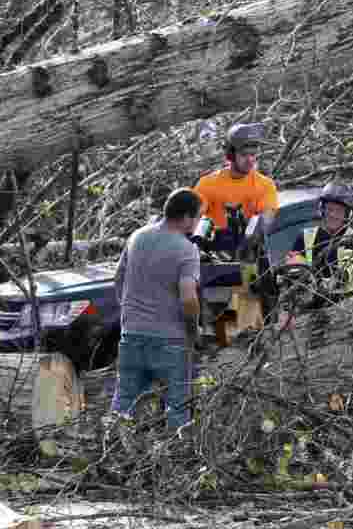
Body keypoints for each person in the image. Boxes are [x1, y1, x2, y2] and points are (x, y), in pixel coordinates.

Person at [113, 187, 202, 431]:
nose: (198, 223)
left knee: (124, 401)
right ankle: (176, 460)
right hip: (170, 339)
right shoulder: (187, 250)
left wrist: (130, 314)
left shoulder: (136, 237)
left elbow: (118, 280)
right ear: (186, 217)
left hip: (131, 334)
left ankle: (112, 449)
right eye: (198, 217)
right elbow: (188, 298)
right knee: (177, 404)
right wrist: (193, 330)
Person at [279, 182, 353, 328]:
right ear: (322, 210)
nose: (333, 215)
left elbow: (351, 266)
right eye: (330, 209)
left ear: (348, 214)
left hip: (347, 309)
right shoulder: (305, 237)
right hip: (310, 312)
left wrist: (331, 282)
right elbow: (291, 271)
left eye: (338, 211)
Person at [194, 122, 280, 248]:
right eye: (244, 155)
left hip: (250, 251)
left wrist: (255, 230)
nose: (250, 160)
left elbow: (267, 219)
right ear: (231, 155)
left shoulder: (265, 185)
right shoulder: (207, 184)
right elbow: (192, 217)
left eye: (253, 154)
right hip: (214, 254)